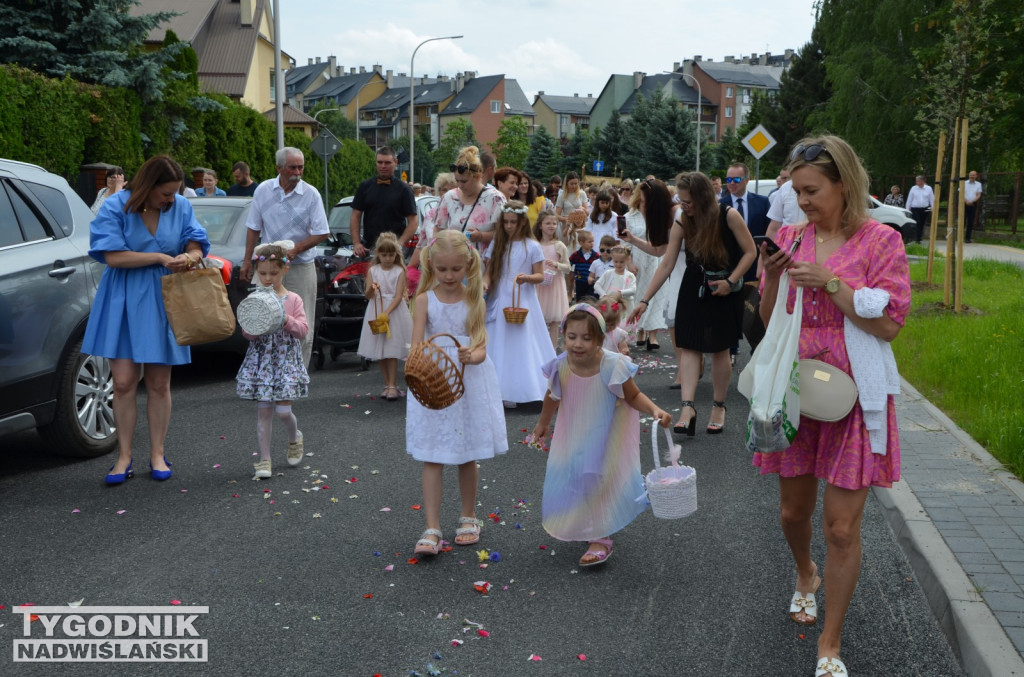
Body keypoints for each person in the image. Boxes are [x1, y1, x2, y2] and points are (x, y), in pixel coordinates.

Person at [756, 135, 910, 677]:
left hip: (853, 398)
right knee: (793, 512)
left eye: (812, 190)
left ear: (844, 183)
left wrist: (831, 281)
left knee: (843, 528)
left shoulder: (881, 242)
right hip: (797, 393)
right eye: (796, 191)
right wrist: (772, 276)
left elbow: (889, 324)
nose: (802, 202)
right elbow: (767, 317)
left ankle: (831, 642)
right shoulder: (791, 238)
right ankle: (805, 573)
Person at [82, 155, 210, 485]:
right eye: (166, 193)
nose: (171, 199)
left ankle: (157, 452)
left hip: (163, 297)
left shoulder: (180, 206)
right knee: (123, 382)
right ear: (149, 186)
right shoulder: (115, 206)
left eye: (174, 193)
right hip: (123, 296)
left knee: (158, 382)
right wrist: (158, 257)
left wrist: (190, 255)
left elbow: (197, 242)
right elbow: (111, 256)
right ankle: (124, 456)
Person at [531, 304, 671, 566]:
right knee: (577, 477)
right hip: (573, 434)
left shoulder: (612, 364)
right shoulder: (560, 366)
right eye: (572, 337)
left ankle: (600, 537)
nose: (578, 344)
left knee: (596, 477)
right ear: (563, 335)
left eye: (586, 338)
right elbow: (553, 397)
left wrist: (654, 409)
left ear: (599, 339)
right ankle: (587, 523)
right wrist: (543, 424)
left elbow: (633, 395)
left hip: (606, 434)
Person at [628, 172, 756, 436]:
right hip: (693, 287)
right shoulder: (682, 220)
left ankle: (718, 407)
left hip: (723, 288)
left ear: (702, 197)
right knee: (688, 346)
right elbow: (667, 263)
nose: (684, 206)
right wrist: (644, 300)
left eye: (688, 201)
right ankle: (687, 409)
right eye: (681, 201)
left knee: (720, 349)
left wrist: (731, 282)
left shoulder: (728, 215)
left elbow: (750, 252)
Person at [407, 229, 507, 555]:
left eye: (456, 269)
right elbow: (418, 344)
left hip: (468, 382)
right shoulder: (423, 301)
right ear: (431, 267)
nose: (449, 276)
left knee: (467, 454)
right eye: (442, 269)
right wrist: (423, 365)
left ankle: (469, 514)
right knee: (432, 455)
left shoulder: (473, 299)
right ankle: (432, 525)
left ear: (468, 266)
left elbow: (481, 346)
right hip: (434, 380)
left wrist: (471, 355)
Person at [241, 147, 330, 367]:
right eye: (292, 167)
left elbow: (322, 232)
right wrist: (246, 262)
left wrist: (296, 250)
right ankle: (267, 371)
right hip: (269, 267)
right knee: (262, 317)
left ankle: (296, 376)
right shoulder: (263, 190)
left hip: (300, 266)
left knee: (301, 324)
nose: (298, 172)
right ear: (279, 168)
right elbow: (253, 227)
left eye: (301, 167)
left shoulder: (311, 194)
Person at [236, 241, 310, 479]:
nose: (268, 278)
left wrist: (286, 319)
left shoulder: (293, 299)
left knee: (282, 412)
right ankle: (264, 460)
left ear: (285, 270)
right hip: (263, 361)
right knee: (264, 412)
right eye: (263, 273)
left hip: (286, 359)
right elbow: (247, 333)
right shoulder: (254, 298)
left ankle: (294, 436)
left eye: (273, 273)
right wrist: (255, 325)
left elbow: (303, 331)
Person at [483, 200, 556, 408]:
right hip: (500, 295)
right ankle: (498, 389)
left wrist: (527, 278)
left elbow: (541, 275)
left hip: (522, 296)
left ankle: (526, 389)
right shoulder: (498, 243)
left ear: (522, 222)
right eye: (505, 222)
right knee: (498, 340)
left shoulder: (532, 246)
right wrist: (486, 284)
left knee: (522, 342)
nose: (508, 226)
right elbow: (488, 271)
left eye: (512, 222)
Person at [620, 178, 674, 352]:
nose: (643, 201)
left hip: (658, 260)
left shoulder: (663, 215)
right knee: (639, 295)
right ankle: (640, 330)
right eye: (641, 198)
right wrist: (629, 263)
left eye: (646, 198)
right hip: (639, 259)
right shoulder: (630, 216)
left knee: (658, 297)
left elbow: (661, 248)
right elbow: (625, 243)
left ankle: (653, 334)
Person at [357, 232, 412, 401]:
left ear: (396, 254)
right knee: (380, 349)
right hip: (376, 308)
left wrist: (386, 313)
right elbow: (367, 295)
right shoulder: (373, 270)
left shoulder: (399, 271)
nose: (387, 258)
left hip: (392, 311)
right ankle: (387, 383)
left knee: (392, 349)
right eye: (384, 255)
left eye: (391, 254)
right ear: (378, 254)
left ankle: (393, 385)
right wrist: (372, 289)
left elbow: (398, 295)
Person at [433, 146, 506, 255]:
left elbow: (504, 233)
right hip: (455, 262)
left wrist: (481, 236)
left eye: (464, 181)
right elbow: (438, 229)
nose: (459, 185)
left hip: (486, 265)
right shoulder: (449, 197)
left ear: (477, 176)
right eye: (457, 181)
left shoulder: (495, 198)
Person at [351, 147, 418, 259]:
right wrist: (357, 243)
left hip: (394, 250)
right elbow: (355, 216)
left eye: (387, 163)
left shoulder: (404, 190)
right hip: (369, 248)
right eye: (380, 162)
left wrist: (400, 243)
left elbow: (413, 222)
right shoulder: (365, 187)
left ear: (395, 162)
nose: (383, 166)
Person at [533, 210, 571, 349]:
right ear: (540, 225)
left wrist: (557, 265)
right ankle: (539, 348)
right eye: (548, 223)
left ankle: (552, 348)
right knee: (538, 318)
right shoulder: (535, 244)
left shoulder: (559, 245)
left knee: (554, 320)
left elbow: (568, 267)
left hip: (554, 285)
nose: (552, 226)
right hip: (538, 284)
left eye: (554, 223)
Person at [409, 172, 457, 270]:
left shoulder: (462, 215)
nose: (448, 193)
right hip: (433, 271)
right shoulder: (430, 215)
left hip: (456, 270)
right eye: (444, 190)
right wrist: (410, 270)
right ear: (439, 191)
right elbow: (420, 245)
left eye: (452, 190)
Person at [594, 245, 637, 314]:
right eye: (616, 262)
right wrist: (604, 295)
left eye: (621, 262)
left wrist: (621, 293)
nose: (618, 264)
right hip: (609, 305)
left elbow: (633, 290)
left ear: (626, 260)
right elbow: (597, 285)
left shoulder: (630, 276)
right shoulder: (608, 273)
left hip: (624, 307)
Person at [569, 230, 600, 300]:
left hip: (592, 282)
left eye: (593, 241)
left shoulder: (596, 256)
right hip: (579, 281)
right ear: (581, 243)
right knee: (580, 299)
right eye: (589, 242)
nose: (592, 243)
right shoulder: (576, 255)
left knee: (591, 299)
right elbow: (568, 264)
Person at [906, 175, 934, 244]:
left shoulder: (928, 188)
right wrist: (907, 209)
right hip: (915, 208)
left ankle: (920, 237)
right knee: (917, 222)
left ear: (922, 181)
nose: (916, 182)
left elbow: (931, 199)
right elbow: (909, 199)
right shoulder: (913, 188)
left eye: (917, 181)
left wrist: (933, 208)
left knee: (922, 223)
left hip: (926, 208)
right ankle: (917, 238)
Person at [964, 170, 983, 243]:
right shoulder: (964, 183)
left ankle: (967, 238)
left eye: (973, 175)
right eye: (971, 175)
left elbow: (979, 195)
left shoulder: (978, 184)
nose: (972, 176)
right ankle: (959, 236)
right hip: (964, 204)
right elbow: (961, 193)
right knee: (962, 221)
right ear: (968, 175)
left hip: (973, 204)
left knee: (970, 222)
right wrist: (966, 201)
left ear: (976, 176)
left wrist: (972, 201)